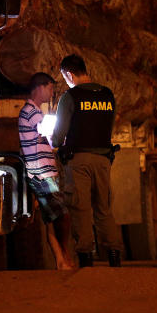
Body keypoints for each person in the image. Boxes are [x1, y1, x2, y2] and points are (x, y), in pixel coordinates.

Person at [50, 54, 123, 268]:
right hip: (103, 159)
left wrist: (54, 142)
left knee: (80, 207)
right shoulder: (108, 95)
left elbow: (59, 132)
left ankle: (86, 255)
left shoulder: (71, 97)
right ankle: (114, 253)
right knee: (104, 208)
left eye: (65, 77)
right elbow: (109, 126)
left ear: (69, 74)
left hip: (78, 160)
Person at [18, 72, 74, 270]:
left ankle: (60, 259)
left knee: (51, 218)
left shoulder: (34, 112)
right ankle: (65, 255)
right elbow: (53, 134)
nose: (51, 93)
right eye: (50, 88)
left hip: (43, 172)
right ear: (40, 87)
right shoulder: (31, 112)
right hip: (41, 173)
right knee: (62, 214)